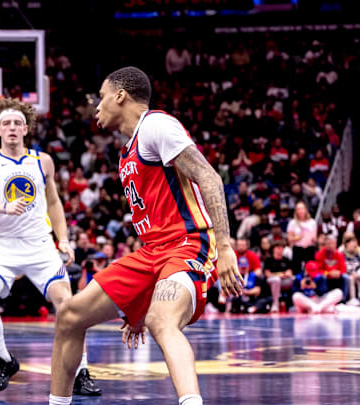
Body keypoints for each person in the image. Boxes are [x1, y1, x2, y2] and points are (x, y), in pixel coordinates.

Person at [49, 67, 241, 405]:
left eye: (102, 96)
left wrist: (225, 246)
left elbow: (209, 178)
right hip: (153, 251)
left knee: (161, 320)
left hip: (188, 243)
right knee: (69, 316)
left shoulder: (156, 126)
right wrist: (136, 304)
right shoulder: (128, 150)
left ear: (121, 95)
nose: (97, 106)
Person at [0, 98, 101, 395]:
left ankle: (81, 371)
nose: (12, 127)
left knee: (68, 305)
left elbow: (54, 203)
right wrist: (2, 207)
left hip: (40, 246)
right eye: (6, 123)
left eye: (17, 123)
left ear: (26, 128)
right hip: (3, 247)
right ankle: (4, 359)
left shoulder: (43, 161)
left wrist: (63, 240)